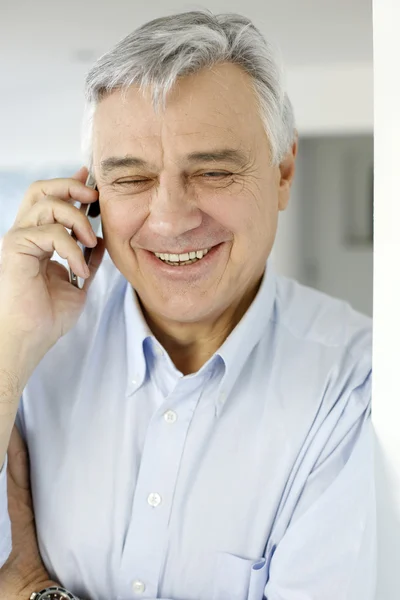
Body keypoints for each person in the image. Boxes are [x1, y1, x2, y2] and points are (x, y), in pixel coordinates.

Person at [0, 10, 375, 600]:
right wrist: (9, 348)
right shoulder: (30, 349)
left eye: (214, 171)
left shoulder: (361, 386)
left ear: (283, 172)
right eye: (130, 179)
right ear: (90, 193)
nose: (171, 219)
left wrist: (31, 593)